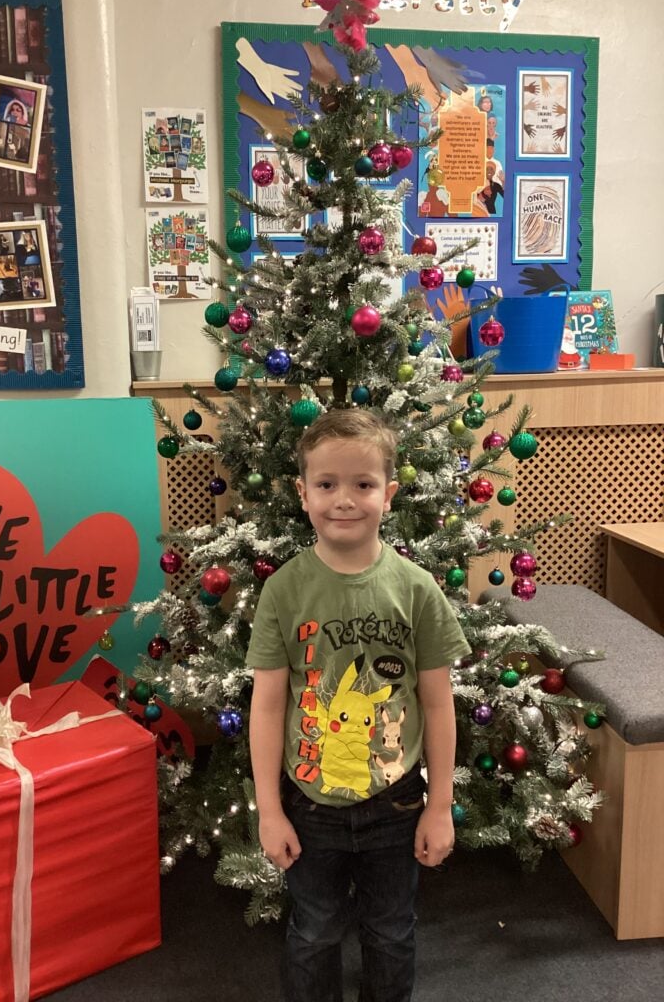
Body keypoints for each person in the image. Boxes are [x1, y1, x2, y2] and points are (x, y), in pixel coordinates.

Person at [247, 409, 469, 1002]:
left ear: (389, 494)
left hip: (395, 806)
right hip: (309, 806)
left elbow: (439, 704)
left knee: (391, 933)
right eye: (326, 484)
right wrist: (270, 810)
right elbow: (268, 707)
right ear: (302, 493)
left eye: (363, 484)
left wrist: (440, 806)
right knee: (314, 932)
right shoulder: (284, 590)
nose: (344, 499)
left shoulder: (417, 590)